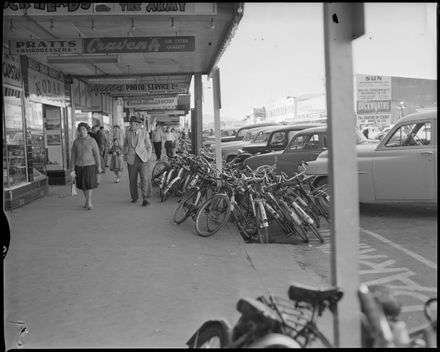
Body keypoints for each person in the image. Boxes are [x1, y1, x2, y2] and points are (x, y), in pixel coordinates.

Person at [70, 122, 102, 210]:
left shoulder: (92, 141)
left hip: (90, 165)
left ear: (87, 130)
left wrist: (99, 166)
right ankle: (87, 200)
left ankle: (88, 202)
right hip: (79, 166)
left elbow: (97, 155)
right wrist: (72, 168)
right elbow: (73, 156)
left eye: (84, 129)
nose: (82, 131)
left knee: (89, 184)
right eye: (80, 129)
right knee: (83, 185)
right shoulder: (76, 142)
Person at [123, 116, 153, 206]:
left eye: (131, 124)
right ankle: (134, 197)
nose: (130, 125)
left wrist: (148, 156)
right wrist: (125, 154)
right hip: (132, 160)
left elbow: (149, 146)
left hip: (143, 159)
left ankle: (145, 198)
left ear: (137, 125)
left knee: (145, 178)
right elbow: (125, 145)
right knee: (132, 179)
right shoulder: (128, 133)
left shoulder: (144, 133)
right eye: (130, 123)